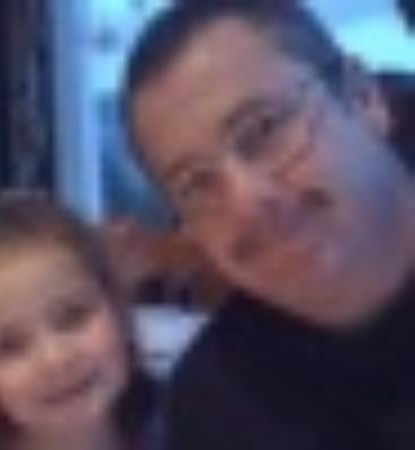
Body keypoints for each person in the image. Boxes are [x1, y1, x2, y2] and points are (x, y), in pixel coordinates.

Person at [122, 0, 415, 449]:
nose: (247, 202)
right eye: (197, 184)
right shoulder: (217, 407)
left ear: (362, 98)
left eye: (262, 131)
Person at [0, 195, 156, 450]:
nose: (55, 359)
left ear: (118, 308)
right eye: (10, 348)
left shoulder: (190, 421)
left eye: (72, 318)